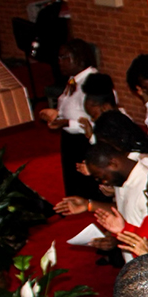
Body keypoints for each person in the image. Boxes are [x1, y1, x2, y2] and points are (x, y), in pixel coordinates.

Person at [39, 39, 101, 199]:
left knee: (89, 189)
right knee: (74, 186)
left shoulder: (93, 82)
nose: (59, 62)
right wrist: (56, 114)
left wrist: (67, 123)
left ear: (79, 58)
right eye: (59, 57)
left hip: (86, 142)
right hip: (71, 140)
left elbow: (100, 121)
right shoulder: (74, 79)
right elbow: (72, 107)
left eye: (64, 57)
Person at [54, 141, 148, 234]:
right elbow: (125, 210)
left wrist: (119, 234)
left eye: (102, 177)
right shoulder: (122, 178)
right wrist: (88, 205)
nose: (103, 182)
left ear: (113, 164)